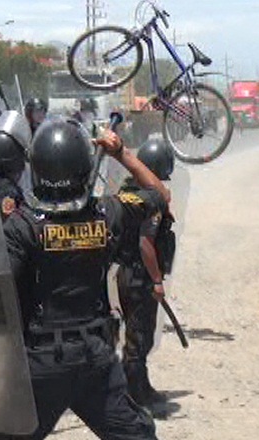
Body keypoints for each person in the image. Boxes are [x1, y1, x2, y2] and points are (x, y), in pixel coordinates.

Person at [0, 119, 169, 439]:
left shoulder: (21, 226)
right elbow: (160, 194)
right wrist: (120, 153)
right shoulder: (109, 214)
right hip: (94, 359)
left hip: (39, 363)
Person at [115, 138, 174, 408]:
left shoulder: (126, 193)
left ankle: (140, 385)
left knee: (136, 336)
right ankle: (136, 396)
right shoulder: (152, 199)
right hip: (140, 276)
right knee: (140, 338)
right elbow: (146, 243)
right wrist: (157, 280)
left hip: (125, 273)